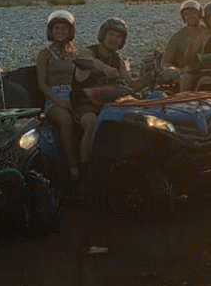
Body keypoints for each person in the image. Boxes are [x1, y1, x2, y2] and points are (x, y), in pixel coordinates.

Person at [71, 17, 137, 169]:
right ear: (103, 35)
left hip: (108, 102)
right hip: (84, 103)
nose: (114, 39)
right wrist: (103, 67)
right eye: (111, 34)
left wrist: (154, 76)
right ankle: (84, 170)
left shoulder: (117, 60)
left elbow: (131, 84)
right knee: (92, 123)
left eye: (119, 37)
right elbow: (84, 60)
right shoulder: (89, 51)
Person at [36, 9, 81, 185]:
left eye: (64, 28)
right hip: (54, 99)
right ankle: (73, 169)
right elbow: (42, 85)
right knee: (66, 121)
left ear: (70, 31)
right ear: (51, 31)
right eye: (56, 28)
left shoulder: (74, 53)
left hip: (74, 96)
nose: (60, 31)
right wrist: (60, 102)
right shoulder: (44, 54)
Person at [160, 0, 202, 72]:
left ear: (199, 15)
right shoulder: (177, 37)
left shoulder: (208, 32)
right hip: (188, 73)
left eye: (194, 13)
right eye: (187, 14)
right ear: (183, 17)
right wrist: (179, 70)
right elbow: (165, 63)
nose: (190, 16)